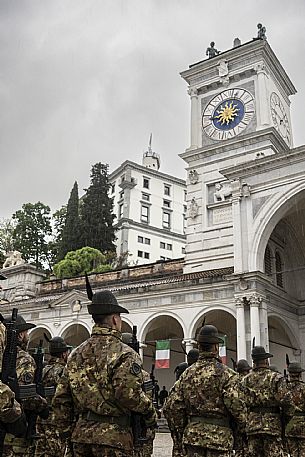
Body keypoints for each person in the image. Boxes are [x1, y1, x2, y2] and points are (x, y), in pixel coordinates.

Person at [52, 288, 156, 457]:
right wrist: (150, 412)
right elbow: (128, 395)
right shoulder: (125, 353)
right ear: (115, 319)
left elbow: (61, 398)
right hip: (114, 439)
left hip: (80, 437)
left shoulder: (75, 354)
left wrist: (67, 432)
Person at [163, 324, 247, 457]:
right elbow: (239, 409)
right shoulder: (227, 374)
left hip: (193, 439)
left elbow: (171, 407)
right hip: (220, 440)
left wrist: (183, 429)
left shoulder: (187, 374)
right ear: (215, 347)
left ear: (199, 347)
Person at [2, 315, 48, 457]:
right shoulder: (24, 359)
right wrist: (43, 405)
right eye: (26, 333)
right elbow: (25, 396)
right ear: (20, 335)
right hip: (14, 433)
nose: (28, 336)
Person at [241, 345, 290, 457]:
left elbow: (239, 403)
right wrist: (283, 420)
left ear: (254, 362)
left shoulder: (245, 380)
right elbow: (288, 403)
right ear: (266, 360)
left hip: (252, 425)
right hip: (272, 425)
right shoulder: (276, 378)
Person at [34, 336, 71, 457]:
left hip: (41, 419)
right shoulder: (65, 371)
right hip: (57, 421)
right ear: (64, 354)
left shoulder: (43, 370)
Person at [285, 362, 305, 457]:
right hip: (302, 424)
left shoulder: (285, 388)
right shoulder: (304, 388)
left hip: (289, 424)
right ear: (300, 374)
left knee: (292, 453)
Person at [233, 359, 251, 457]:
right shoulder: (248, 381)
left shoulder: (233, 381)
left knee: (238, 449)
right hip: (248, 419)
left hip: (236, 420)